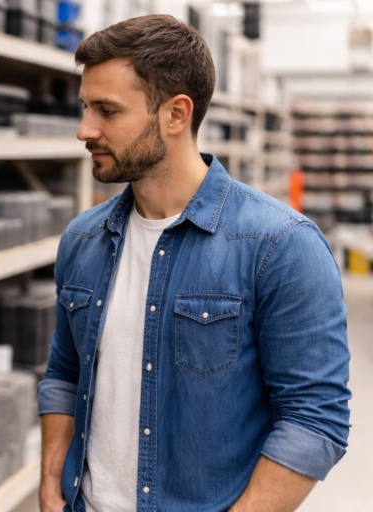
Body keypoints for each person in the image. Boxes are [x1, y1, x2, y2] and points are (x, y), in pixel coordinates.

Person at [37, 14, 351, 512]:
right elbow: (63, 373)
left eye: (107, 111)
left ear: (176, 114)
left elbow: (315, 420)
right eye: (84, 108)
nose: (84, 130)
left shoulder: (280, 245)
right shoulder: (83, 238)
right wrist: (52, 483)